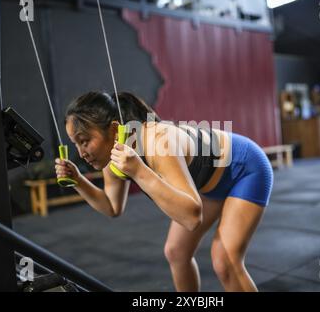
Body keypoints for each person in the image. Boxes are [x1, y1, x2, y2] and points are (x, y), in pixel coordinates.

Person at [55, 91, 273, 292]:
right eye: (76, 144)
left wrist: (140, 172)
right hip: (209, 185)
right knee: (176, 252)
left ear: (113, 130)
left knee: (224, 260)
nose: (81, 153)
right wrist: (78, 181)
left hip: (244, 168)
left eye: (85, 141)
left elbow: (191, 216)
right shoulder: (113, 154)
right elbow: (112, 207)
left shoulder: (159, 142)